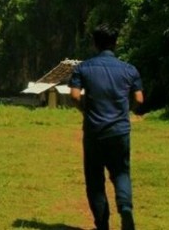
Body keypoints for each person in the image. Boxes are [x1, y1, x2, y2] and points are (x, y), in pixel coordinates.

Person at [69, 24, 144, 230]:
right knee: (121, 173)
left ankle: (102, 225)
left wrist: (86, 110)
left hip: (94, 131)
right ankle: (126, 209)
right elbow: (139, 97)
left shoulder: (83, 68)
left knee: (95, 179)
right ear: (115, 43)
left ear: (95, 44)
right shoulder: (129, 69)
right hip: (119, 131)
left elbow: (75, 96)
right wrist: (125, 110)